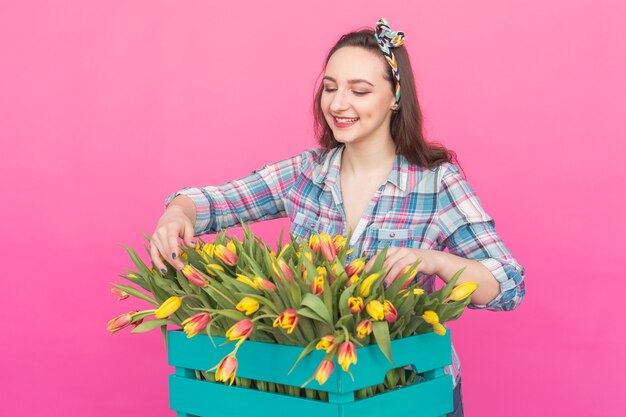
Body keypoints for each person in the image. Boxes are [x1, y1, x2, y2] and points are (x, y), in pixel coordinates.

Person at [150, 18, 526, 417]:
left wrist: (433, 260)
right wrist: (177, 214)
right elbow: (217, 201)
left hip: (409, 392)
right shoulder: (306, 173)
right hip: (318, 390)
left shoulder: (435, 182)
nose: (338, 104)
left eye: (359, 90)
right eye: (330, 88)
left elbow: (507, 283)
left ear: (395, 97)